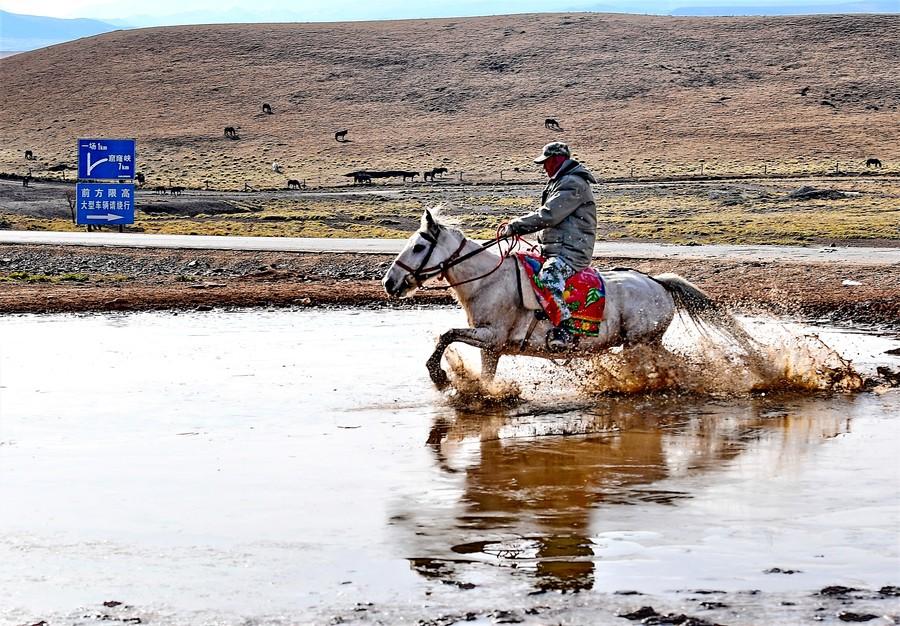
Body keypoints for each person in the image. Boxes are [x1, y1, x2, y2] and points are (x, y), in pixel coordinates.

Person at [500, 142, 597, 351]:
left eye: (546, 162)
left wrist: (516, 226)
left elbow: (549, 215)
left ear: (557, 159)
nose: (544, 167)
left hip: (571, 252)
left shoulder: (572, 183)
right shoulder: (560, 181)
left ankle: (564, 327)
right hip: (555, 248)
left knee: (549, 276)